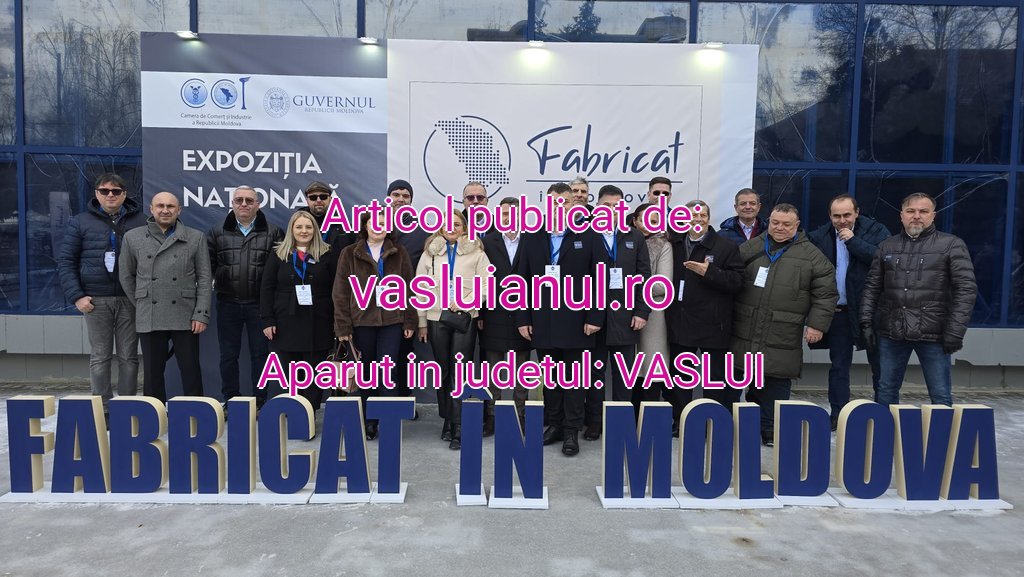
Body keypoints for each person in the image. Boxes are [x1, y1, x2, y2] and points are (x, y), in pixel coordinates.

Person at [732, 203, 837, 446]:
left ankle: (769, 429)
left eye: (786, 224)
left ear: (797, 225)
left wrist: (817, 325)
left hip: (782, 332)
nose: (779, 228)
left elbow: (826, 294)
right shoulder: (752, 247)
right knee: (737, 377)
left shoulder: (812, 255)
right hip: (744, 327)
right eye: (775, 222)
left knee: (775, 383)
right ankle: (737, 426)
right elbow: (730, 275)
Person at [860, 192, 977, 407]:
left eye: (923, 211)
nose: (916, 216)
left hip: (934, 334)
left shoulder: (951, 245)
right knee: (885, 390)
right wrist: (866, 322)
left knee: (940, 394)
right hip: (892, 331)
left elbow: (966, 290)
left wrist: (955, 332)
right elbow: (872, 287)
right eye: (910, 211)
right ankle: (887, 430)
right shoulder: (887, 246)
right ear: (901, 215)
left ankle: (941, 431)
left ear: (933, 215)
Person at [517, 183, 607, 456]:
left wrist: (595, 316)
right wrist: (523, 318)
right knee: (552, 379)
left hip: (579, 322)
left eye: (565, 202)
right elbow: (521, 280)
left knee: (575, 381)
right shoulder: (532, 236)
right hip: (542, 321)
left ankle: (571, 431)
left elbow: (600, 278)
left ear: (573, 205)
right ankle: (554, 425)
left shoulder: (589, 235)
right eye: (554, 202)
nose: (559, 207)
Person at [58, 173, 146, 416]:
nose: (110, 195)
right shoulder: (80, 222)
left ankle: (127, 407)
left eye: (116, 191)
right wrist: (77, 296)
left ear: (124, 194)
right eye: (105, 191)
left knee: (129, 357)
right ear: (96, 194)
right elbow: (66, 261)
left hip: (130, 299)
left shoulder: (141, 221)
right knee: (100, 357)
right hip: (95, 300)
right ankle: (103, 410)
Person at [808, 194, 891, 427]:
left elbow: (885, 260)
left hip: (871, 312)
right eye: (837, 216)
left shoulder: (877, 230)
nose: (842, 220)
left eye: (847, 215)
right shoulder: (819, 237)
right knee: (839, 366)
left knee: (880, 366)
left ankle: (883, 413)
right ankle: (838, 415)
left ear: (857, 213)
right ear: (830, 216)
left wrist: (853, 242)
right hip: (839, 312)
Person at [119, 191, 211, 402]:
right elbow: (126, 275)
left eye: (170, 206)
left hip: (185, 313)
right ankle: (154, 414)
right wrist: (142, 301)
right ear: (151, 209)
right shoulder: (132, 237)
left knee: (190, 369)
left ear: (179, 210)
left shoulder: (195, 237)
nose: (165, 210)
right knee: (152, 373)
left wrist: (201, 313)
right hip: (150, 312)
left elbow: (205, 278)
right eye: (160, 206)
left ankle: (195, 412)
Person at [334, 211, 417, 440]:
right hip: (361, 321)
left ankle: (388, 421)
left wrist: (410, 320)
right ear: (365, 226)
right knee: (365, 372)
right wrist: (343, 326)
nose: (379, 227)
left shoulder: (399, 252)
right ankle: (369, 422)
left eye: (384, 223)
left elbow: (409, 287)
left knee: (388, 371)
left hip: (392, 321)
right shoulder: (350, 253)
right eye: (374, 223)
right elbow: (340, 292)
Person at [415, 210, 492, 450]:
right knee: (443, 371)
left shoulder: (476, 252)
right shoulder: (430, 253)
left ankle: (459, 426)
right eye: (448, 224)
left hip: (464, 319)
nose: (452, 228)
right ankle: (447, 420)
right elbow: (420, 287)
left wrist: (467, 302)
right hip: (436, 317)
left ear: (464, 228)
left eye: (457, 224)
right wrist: (422, 321)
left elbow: (487, 284)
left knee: (460, 372)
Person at [665, 200, 745, 424]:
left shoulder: (726, 246)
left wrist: (710, 272)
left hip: (714, 324)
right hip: (681, 322)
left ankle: (712, 422)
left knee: (714, 379)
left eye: (702, 216)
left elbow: (737, 281)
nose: (697, 220)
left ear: (709, 219)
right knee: (680, 377)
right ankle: (681, 421)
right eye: (693, 215)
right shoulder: (674, 243)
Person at [584, 185, 651, 440]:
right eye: (606, 206)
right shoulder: (586, 234)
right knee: (595, 374)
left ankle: (621, 423)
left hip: (626, 318)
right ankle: (594, 422)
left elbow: (644, 276)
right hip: (594, 320)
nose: (611, 211)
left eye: (616, 206)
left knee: (623, 375)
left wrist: (642, 311)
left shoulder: (635, 237)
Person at [208, 185, 283, 408]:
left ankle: (259, 400)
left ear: (258, 204)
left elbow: (280, 272)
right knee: (228, 355)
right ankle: (231, 399)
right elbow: (208, 267)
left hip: (259, 306)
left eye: (249, 200)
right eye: (238, 200)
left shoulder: (273, 232)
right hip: (227, 303)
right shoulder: (217, 231)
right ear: (232, 203)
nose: (243, 204)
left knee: (260, 355)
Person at [260, 211, 337, 411]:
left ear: (315, 230)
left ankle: (310, 412)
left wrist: (337, 322)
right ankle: (294, 411)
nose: (304, 231)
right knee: (290, 372)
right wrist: (268, 320)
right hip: (286, 321)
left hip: (319, 321)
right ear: (291, 230)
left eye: (308, 227)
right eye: (299, 227)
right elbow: (267, 288)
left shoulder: (327, 253)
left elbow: (336, 289)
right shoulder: (278, 253)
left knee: (314, 372)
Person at [480, 197, 533, 428]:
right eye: (505, 214)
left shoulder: (532, 239)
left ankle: (520, 414)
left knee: (523, 369)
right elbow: (481, 279)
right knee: (493, 369)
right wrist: (481, 314)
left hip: (524, 313)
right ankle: (493, 415)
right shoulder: (487, 242)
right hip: (494, 312)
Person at [386, 179, 430, 416]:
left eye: (406, 196)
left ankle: (403, 402)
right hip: (374, 304)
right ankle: (378, 408)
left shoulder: (421, 232)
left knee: (404, 355)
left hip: (407, 305)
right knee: (378, 359)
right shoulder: (374, 226)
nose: (400, 199)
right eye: (396, 194)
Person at [630, 203, 673, 415]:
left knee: (651, 368)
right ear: (634, 221)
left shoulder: (663, 245)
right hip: (624, 311)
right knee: (628, 370)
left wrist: (632, 286)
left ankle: (649, 420)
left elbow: (663, 285)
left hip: (653, 314)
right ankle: (628, 419)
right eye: (644, 220)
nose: (649, 224)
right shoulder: (623, 241)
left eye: (654, 221)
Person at [300, 180, 356, 253]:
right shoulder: (296, 225)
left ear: (330, 199)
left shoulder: (346, 228)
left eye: (323, 197)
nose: (318, 200)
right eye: (313, 197)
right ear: (307, 200)